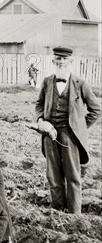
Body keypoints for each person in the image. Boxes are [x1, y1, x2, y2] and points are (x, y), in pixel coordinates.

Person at [35, 46, 100, 214]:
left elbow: (96, 110)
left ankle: (74, 214)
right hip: (50, 135)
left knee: (72, 176)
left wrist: (79, 127)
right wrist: (41, 120)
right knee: (53, 175)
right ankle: (57, 210)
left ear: (71, 62)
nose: (61, 63)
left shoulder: (80, 84)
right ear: (53, 62)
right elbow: (39, 104)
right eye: (58, 61)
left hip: (70, 136)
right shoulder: (47, 82)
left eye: (64, 61)